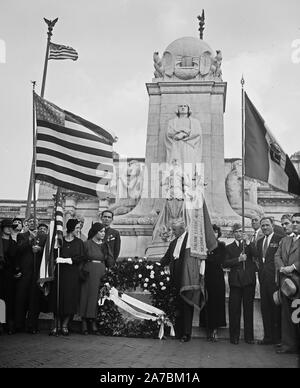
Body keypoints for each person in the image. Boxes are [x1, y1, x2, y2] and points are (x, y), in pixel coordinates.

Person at [49, 219, 85, 336]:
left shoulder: (79, 242)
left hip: (72, 274)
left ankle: (65, 325)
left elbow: (81, 257)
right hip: (60, 273)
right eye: (77, 228)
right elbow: (53, 254)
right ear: (71, 228)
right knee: (58, 298)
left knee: (70, 299)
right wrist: (56, 259)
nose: (79, 230)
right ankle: (56, 324)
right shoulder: (60, 241)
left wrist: (66, 260)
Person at [160, 219, 194, 342]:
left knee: (186, 305)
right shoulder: (173, 242)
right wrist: (152, 265)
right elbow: (166, 258)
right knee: (178, 305)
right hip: (175, 277)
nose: (172, 232)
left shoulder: (191, 241)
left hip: (187, 277)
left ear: (182, 228)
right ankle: (179, 332)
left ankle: (186, 333)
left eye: (174, 229)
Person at [224, 223, 257, 345]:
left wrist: (248, 241)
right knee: (234, 310)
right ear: (233, 233)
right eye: (236, 231)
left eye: (240, 231)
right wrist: (238, 259)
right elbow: (225, 263)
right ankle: (234, 336)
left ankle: (249, 337)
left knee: (248, 310)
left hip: (248, 281)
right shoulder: (228, 247)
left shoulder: (248, 245)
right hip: (235, 282)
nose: (238, 233)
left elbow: (256, 254)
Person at [79, 223, 114, 335]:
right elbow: (81, 260)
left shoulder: (105, 245)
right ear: (95, 232)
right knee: (86, 296)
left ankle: (93, 322)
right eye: (101, 231)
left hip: (101, 273)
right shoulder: (86, 244)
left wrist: (109, 253)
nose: (103, 233)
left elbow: (110, 261)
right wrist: (81, 273)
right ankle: (84, 322)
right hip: (89, 272)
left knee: (97, 297)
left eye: (104, 231)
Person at [14, 216, 47, 333]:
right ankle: (19, 325)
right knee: (21, 299)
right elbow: (18, 250)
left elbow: (47, 252)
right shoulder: (21, 236)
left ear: (38, 223)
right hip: (24, 272)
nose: (33, 223)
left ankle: (32, 326)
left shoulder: (43, 236)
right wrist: (29, 241)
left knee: (34, 300)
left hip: (36, 272)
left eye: (35, 221)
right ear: (26, 223)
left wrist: (40, 249)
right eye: (30, 221)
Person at [275, 213, 300, 354]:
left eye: (297, 222)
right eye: (294, 221)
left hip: (298, 283)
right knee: (287, 316)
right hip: (286, 285)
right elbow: (277, 256)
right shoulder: (285, 240)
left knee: (297, 316)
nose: (295, 224)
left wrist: (294, 267)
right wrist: (282, 267)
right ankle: (288, 345)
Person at [256, 217, 282, 346]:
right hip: (263, 280)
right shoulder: (260, 241)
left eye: (267, 225)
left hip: (276, 280)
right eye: (263, 226)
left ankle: (278, 339)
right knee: (265, 308)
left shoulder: (279, 239)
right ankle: (268, 337)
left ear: (272, 225)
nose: (264, 227)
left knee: (276, 309)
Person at [200, 224, 226, 341]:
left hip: (217, 278)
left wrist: (207, 257)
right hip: (206, 277)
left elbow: (219, 260)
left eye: (216, 232)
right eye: (212, 232)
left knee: (217, 303)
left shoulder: (221, 245)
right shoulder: (203, 246)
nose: (214, 234)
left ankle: (215, 329)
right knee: (207, 303)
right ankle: (208, 329)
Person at [0, 219, 18, 334]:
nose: (8, 228)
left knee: (10, 298)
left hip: (10, 274)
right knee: (1, 299)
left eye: (10, 226)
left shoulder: (13, 242)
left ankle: (9, 324)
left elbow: (14, 256)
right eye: (6, 226)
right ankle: (1, 323)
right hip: (0, 272)